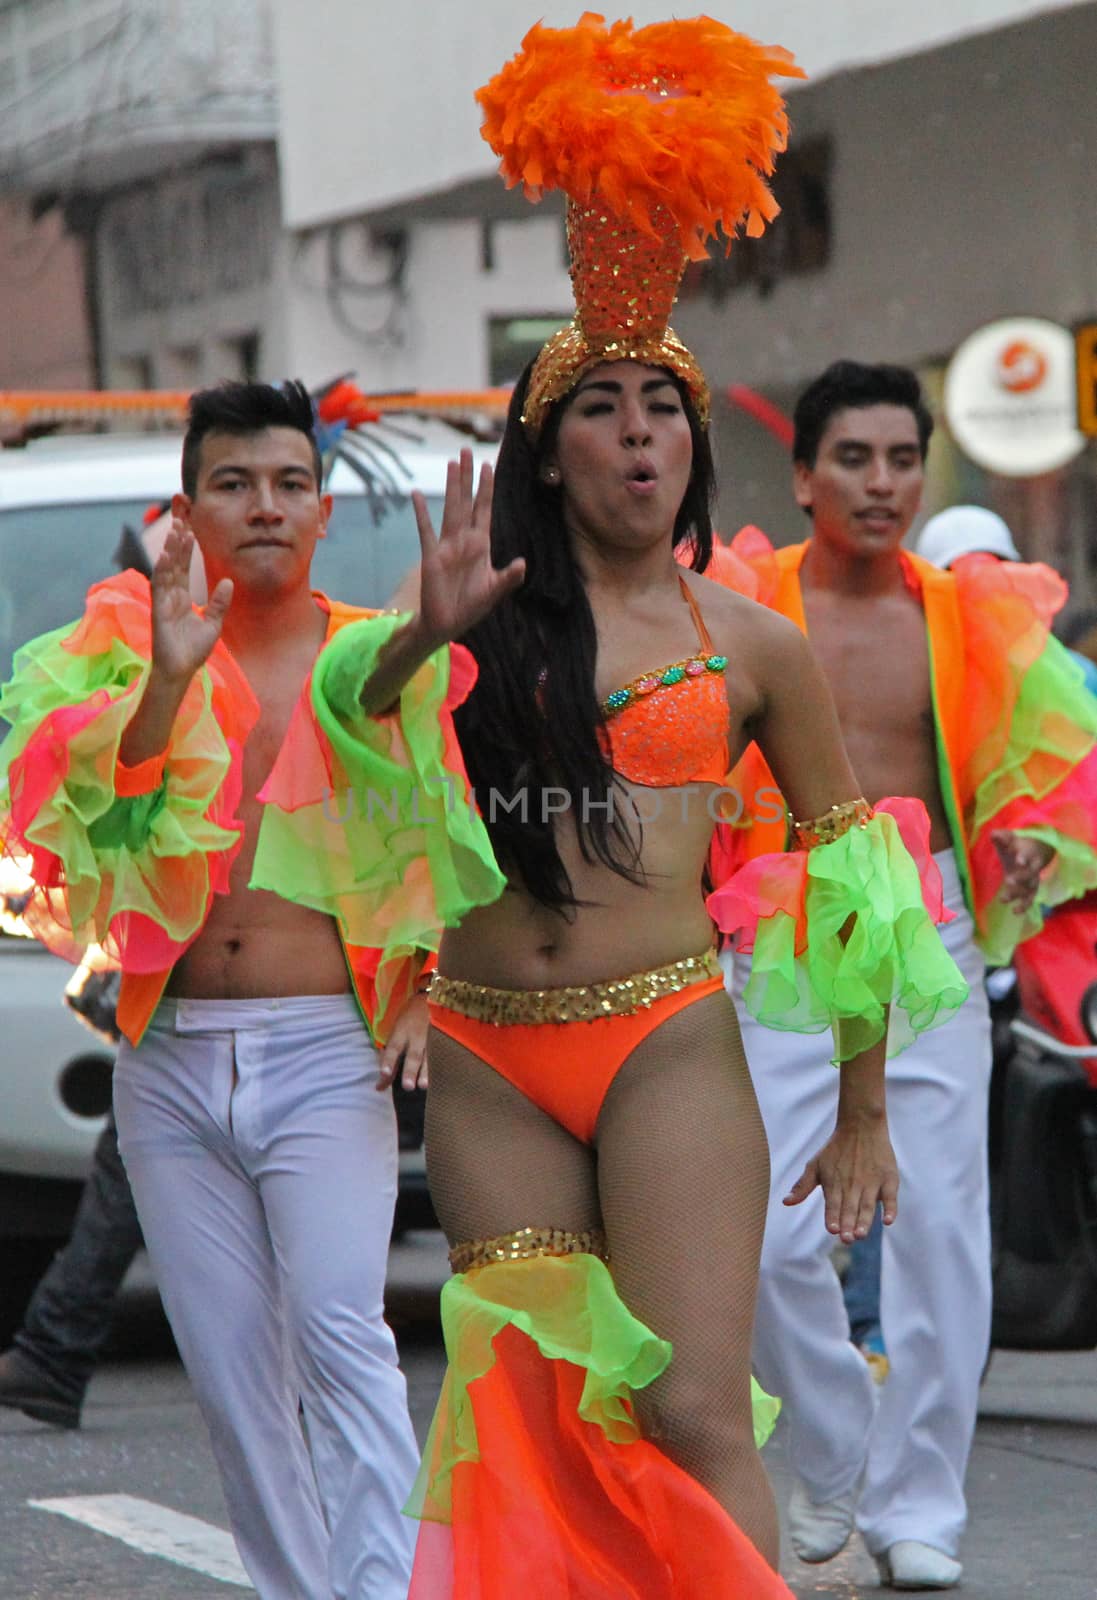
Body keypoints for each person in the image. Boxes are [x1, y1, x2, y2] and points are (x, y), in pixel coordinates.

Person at [312, 20, 967, 1596]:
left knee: (683, 1397)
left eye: (662, 410)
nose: (639, 438)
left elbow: (847, 875)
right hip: (487, 1056)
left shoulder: (753, 642)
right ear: (550, 448)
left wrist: (867, 1104)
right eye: (600, 409)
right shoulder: (473, 612)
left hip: (666, 1038)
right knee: (532, 1398)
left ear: (696, 445)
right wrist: (424, 634)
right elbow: (343, 731)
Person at [0, 381, 462, 1599]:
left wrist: (425, 991)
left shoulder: (372, 648)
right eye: (233, 483)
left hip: (323, 1051)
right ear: (188, 507)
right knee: (231, 1376)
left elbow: (445, 839)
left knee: (341, 1336)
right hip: (171, 1059)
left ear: (319, 506)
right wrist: (164, 677)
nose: (264, 506)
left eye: (289, 484)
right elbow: (92, 822)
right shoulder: (112, 641)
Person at [718, 361, 1097, 1589]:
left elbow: (1040, 754)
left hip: (924, 933)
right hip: (778, 933)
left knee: (939, 1225)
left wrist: (1025, 832)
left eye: (899, 460)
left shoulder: (963, 610)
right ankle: (831, 1442)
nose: (878, 484)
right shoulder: (740, 601)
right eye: (852, 459)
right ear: (801, 474)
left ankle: (918, 1499)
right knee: (768, 1229)